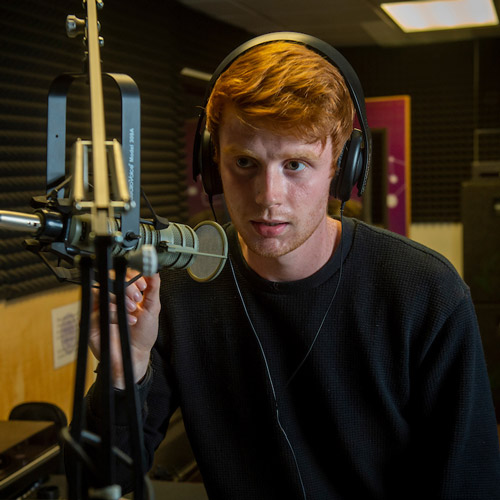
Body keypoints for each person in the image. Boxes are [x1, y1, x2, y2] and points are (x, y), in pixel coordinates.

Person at [80, 34, 500, 499]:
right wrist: (125, 374)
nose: (268, 197)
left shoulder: (426, 293)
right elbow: (96, 482)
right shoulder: (179, 283)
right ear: (211, 162)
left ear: (343, 167)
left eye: (296, 164)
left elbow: (469, 483)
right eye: (244, 162)